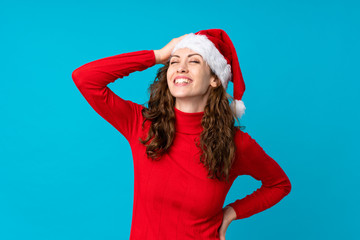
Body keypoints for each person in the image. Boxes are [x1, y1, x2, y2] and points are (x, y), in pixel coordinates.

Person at [72, 29, 292, 240]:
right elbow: (85, 78)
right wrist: (157, 55)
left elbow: (279, 184)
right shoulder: (142, 125)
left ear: (215, 79)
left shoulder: (237, 143)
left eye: (194, 61)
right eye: (174, 61)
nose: (181, 67)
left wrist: (231, 213)